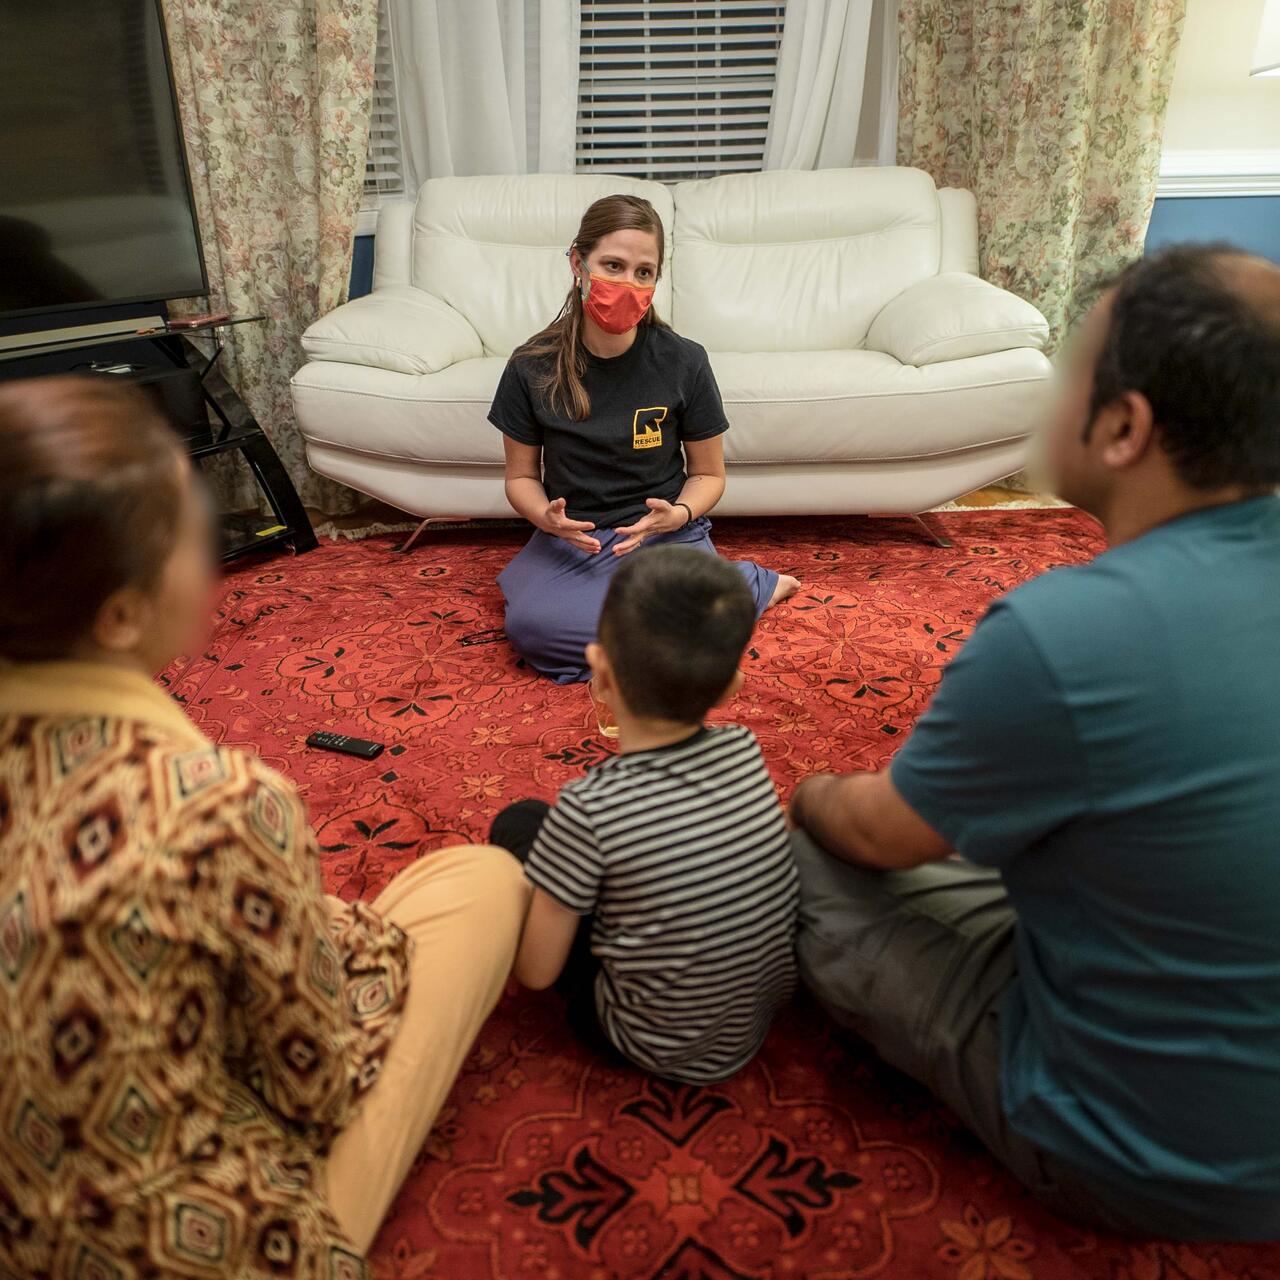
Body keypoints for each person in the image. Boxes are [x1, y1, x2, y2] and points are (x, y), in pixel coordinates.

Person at [788, 244, 1280, 1240]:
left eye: (1067, 365)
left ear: (1120, 426)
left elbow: (879, 833)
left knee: (786, 841)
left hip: (1144, 1158)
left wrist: (807, 788)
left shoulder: (1060, 633)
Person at [0, 377, 528, 1276]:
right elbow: (314, 1083)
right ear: (121, 614)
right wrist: (363, 961)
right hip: (185, 1243)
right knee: (483, 883)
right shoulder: (215, 804)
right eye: (188, 524)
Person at [490, 547, 798, 1083]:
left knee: (518, 823)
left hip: (645, 1041)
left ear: (601, 678)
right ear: (733, 688)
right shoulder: (746, 750)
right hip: (751, 1027)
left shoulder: (590, 809)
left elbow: (537, 975)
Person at [489, 193, 799, 692]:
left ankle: (740, 584)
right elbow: (521, 477)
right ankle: (721, 598)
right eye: (613, 265)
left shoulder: (685, 361)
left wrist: (678, 514)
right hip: (576, 539)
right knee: (535, 631)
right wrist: (543, 516)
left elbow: (708, 475)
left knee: (663, 613)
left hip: (663, 535)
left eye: (644, 272)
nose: (629, 285)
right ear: (578, 263)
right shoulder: (531, 364)